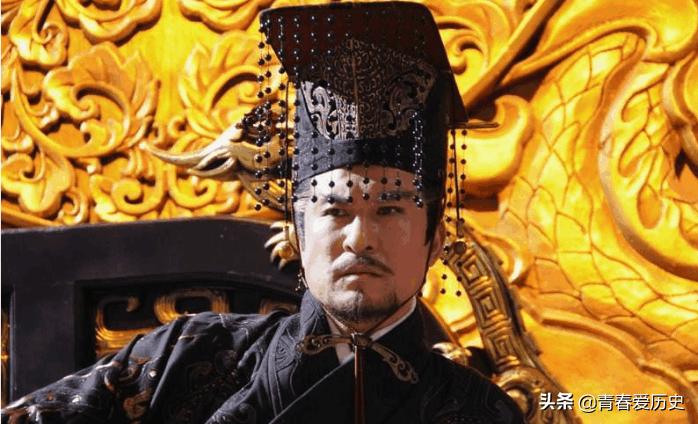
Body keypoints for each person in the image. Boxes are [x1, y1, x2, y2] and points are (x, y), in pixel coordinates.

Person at [1, 2, 525, 423]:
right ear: (296, 230)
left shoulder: (480, 411)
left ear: (435, 241)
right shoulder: (189, 355)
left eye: (389, 210)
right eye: (335, 209)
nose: (360, 237)